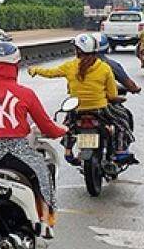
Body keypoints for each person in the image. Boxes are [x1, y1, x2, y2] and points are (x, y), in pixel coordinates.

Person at [0, 42, 67, 224]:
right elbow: (47, 127)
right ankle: (46, 222)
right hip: (19, 154)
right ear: (15, 65)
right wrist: (62, 131)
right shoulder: (25, 93)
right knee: (43, 177)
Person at [27, 33, 119, 165]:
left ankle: (68, 151)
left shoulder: (70, 66)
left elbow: (51, 73)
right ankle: (119, 151)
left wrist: (35, 70)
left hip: (77, 110)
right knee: (121, 122)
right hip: (100, 110)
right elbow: (112, 94)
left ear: (78, 51)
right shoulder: (104, 68)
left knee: (68, 127)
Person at [94, 33, 139, 162]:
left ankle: (68, 150)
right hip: (103, 105)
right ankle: (120, 148)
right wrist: (135, 89)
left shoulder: (76, 65)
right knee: (123, 119)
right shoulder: (109, 65)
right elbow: (128, 83)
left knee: (70, 123)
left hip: (79, 104)